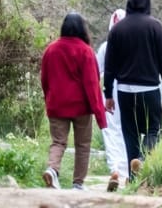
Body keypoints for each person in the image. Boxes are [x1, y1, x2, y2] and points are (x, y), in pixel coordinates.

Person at [103, 0, 162, 180]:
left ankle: (134, 179)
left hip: (125, 91)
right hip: (149, 90)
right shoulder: (155, 27)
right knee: (155, 129)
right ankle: (142, 160)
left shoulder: (117, 30)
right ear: (147, 3)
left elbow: (109, 66)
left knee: (130, 134)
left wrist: (108, 94)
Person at [40, 12, 107, 190]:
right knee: (83, 145)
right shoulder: (85, 51)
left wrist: (49, 99)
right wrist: (100, 115)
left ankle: (52, 169)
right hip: (81, 108)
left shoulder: (51, 49)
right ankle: (78, 183)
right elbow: (92, 85)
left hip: (57, 105)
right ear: (83, 29)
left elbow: (44, 80)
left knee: (58, 142)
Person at [96, 8, 128, 191]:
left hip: (110, 92)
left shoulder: (105, 47)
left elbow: (97, 70)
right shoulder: (132, 45)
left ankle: (115, 168)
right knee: (127, 129)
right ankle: (126, 169)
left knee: (110, 130)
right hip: (128, 90)